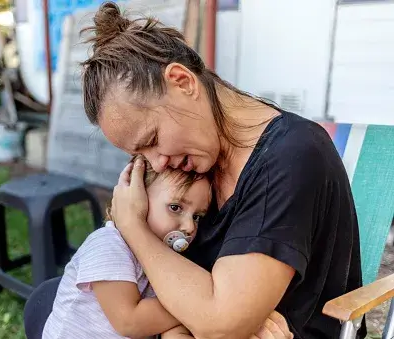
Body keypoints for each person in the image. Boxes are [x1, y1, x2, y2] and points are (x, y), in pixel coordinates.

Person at [80, 2, 366, 338]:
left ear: (183, 81)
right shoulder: (193, 161)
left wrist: (133, 228)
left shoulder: (291, 157)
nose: (155, 163)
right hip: (182, 325)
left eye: (153, 139)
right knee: (48, 300)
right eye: (139, 153)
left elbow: (220, 323)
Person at [42, 156, 292, 339]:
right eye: (175, 208)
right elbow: (130, 321)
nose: (189, 227)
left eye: (197, 216)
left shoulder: (161, 260)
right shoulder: (108, 245)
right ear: (136, 199)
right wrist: (215, 308)